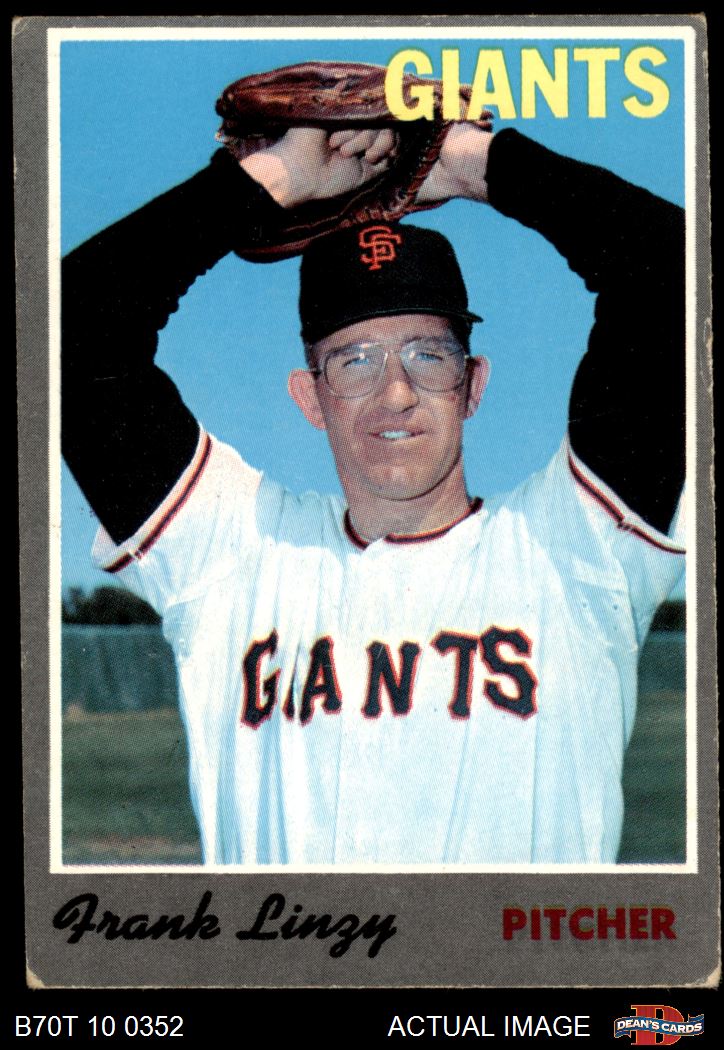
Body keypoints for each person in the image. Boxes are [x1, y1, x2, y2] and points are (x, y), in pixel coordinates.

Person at [62, 113, 685, 866]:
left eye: (428, 355)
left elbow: (673, 272)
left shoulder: (577, 546)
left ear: (473, 383)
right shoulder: (236, 551)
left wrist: (471, 163)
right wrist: (270, 182)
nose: (396, 394)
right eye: (355, 360)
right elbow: (69, 332)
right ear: (309, 397)